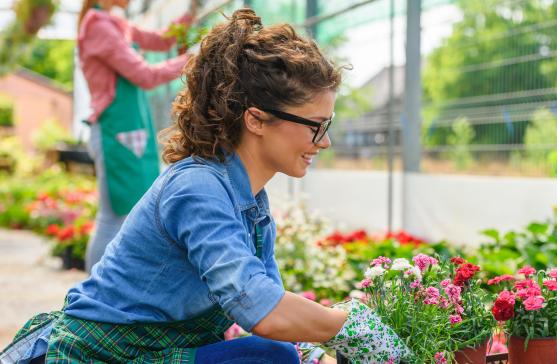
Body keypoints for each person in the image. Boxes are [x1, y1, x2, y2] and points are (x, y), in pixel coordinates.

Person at [0, 8, 411, 364]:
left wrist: (326, 340)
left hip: (149, 351)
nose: (325, 141)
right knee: (269, 359)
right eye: (316, 126)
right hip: (107, 354)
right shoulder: (199, 188)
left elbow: (272, 303)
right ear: (255, 119)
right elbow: (258, 308)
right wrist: (350, 325)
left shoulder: (250, 200)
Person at [77, 0, 192, 271]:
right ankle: (92, 293)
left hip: (127, 131)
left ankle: (106, 293)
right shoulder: (98, 27)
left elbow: (161, 40)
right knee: (112, 218)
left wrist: (191, 13)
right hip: (114, 132)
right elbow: (144, 75)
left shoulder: (116, 23)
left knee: (126, 215)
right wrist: (191, 60)